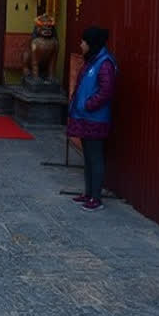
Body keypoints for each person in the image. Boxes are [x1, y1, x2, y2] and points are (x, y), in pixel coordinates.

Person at [68, 26, 117, 212]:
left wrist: (88, 104)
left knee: (95, 157)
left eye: (84, 41)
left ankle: (96, 197)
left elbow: (106, 91)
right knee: (87, 157)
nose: (81, 44)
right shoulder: (92, 61)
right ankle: (88, 192)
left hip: (95, 118)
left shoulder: (104, 63)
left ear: (91, 43)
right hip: (85, 116)